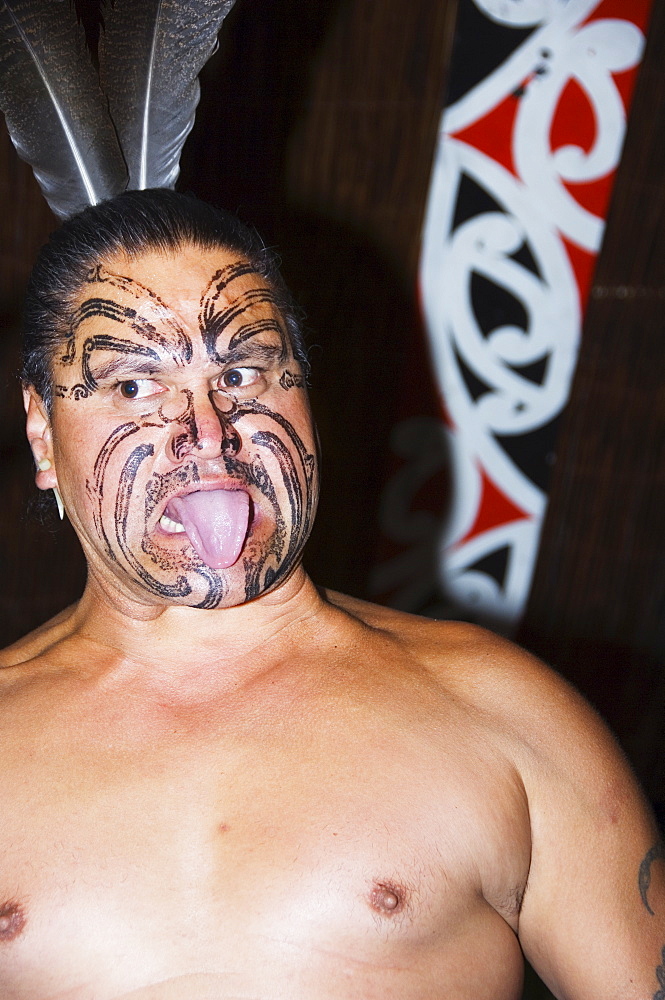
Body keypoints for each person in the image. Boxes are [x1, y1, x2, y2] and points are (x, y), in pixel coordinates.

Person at [0, 188, 662, 1000]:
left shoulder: (504, 715)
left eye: (240, 371)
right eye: (134, 387)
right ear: (42, 431)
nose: (206, 429)